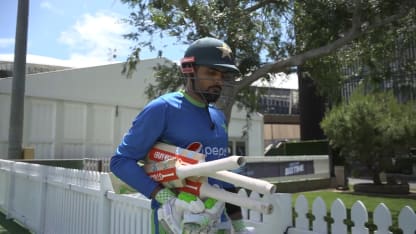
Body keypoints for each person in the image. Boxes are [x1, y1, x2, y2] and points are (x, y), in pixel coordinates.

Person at [110, 37, 253, 234]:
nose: (218, 81)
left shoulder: (218, 116)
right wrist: (168, 200)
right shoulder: (163, 108)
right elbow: (121, 161)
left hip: (218, 223)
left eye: (222, 75)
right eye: (211, 73)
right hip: (175, 223)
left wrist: (239, 226)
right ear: (189, 70)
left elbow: (223, 177)